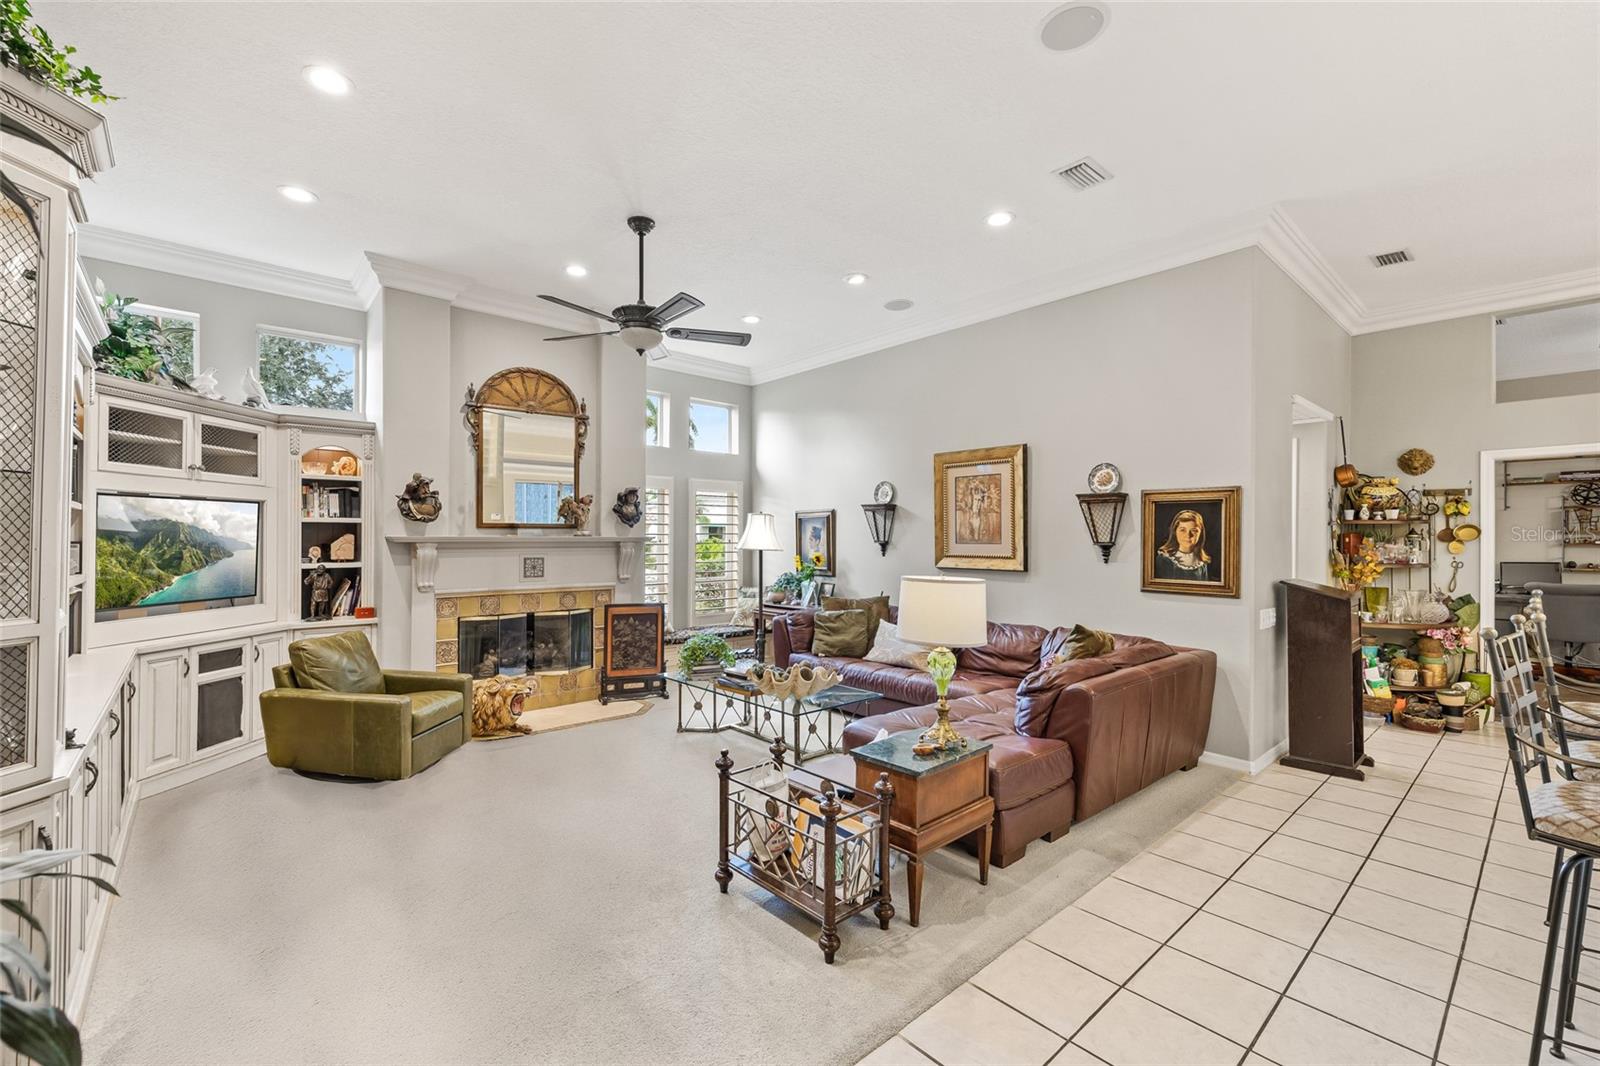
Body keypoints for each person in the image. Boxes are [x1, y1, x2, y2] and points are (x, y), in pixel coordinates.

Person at [1155, 509, 1213, 582]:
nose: (1188, 535)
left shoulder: (1201, 562)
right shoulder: (1164, 559)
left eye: (1194, 530)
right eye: (1182, 530)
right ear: (1175, 532)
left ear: (1200, 534)